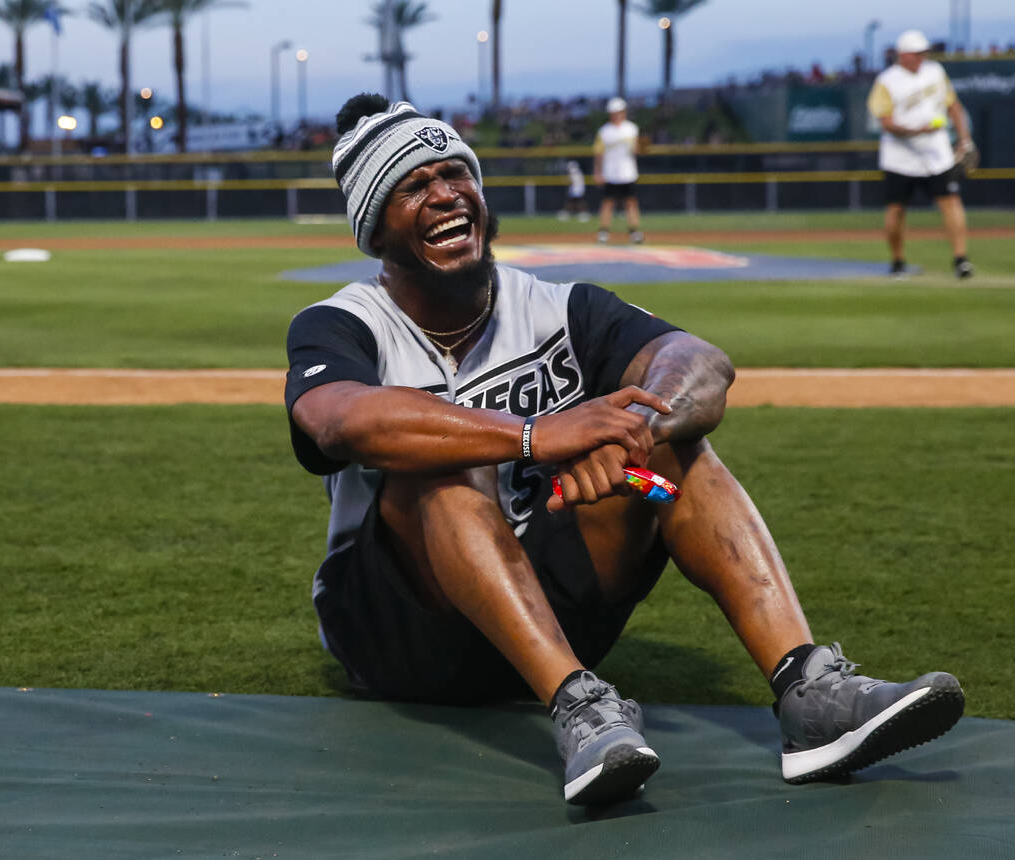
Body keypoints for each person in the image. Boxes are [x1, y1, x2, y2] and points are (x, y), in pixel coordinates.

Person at [285, 93, 965, 806]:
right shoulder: (342, 324)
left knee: (669, 465)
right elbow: (341, 420)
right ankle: (578, 703)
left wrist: (636, 434)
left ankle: (808, 689)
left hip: (553, 602)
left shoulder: (558, 307)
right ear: (374, 225)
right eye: (415, 185)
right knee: (440, 467)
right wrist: (536, 435)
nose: (447, 194)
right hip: (404, 632)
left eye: (458, 173)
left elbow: (699, 362)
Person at [867, 29, 976, 278]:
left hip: (936, 152)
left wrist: (965, 139)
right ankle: (897, 261)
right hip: (900, 155)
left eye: (923, 53)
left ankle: (961, 259)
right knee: (896, 209)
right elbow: (886, 122)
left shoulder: (935, 72)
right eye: (916, 53)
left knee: (951, 202)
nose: (920, 57)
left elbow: (953, 105)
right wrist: (915, 130)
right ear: (902, 55)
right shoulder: (887, 80)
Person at [592, 97, 643, 244]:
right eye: (614, 112)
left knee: (631, 202)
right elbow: (598, 154)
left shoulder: (632, 129)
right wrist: (597, 172)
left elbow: (637, 150)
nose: (616, 115)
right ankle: (603, 232)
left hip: (628, 172)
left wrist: (641, 148)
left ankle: (634, 231)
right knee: (607, 203)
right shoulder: (604, 131)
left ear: (624, 112)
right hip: (610, 173)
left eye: (619, 112)